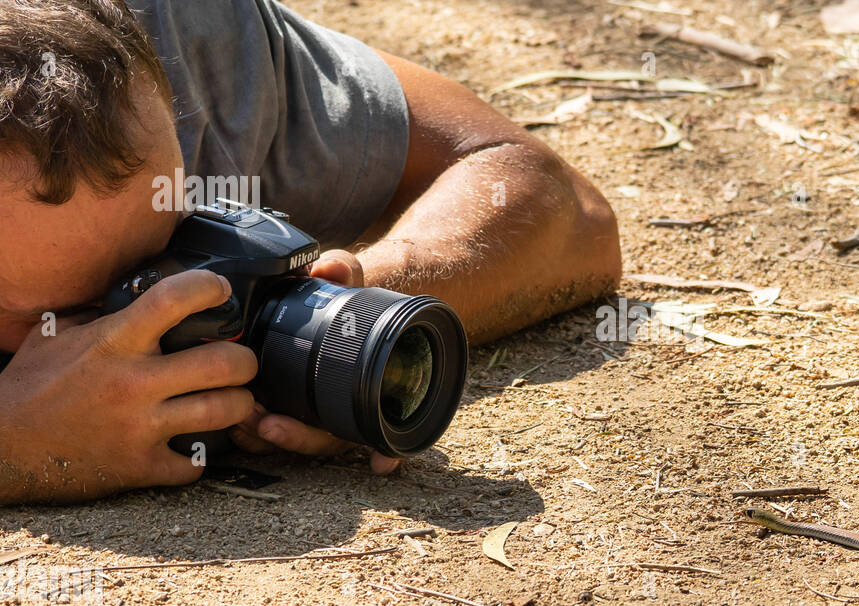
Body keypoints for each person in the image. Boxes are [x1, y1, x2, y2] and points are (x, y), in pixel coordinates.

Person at [0, 0, 621, 503]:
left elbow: (563, 206)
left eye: (177, 242)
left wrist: (328, 318)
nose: (164, 311)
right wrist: (16, 442)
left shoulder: (178, 31)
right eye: (76, 310)